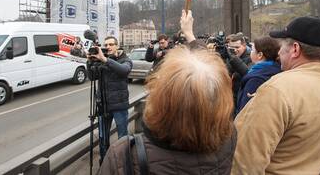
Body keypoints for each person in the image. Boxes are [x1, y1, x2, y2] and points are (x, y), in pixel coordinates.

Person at [98, 11, 236, 174]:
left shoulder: (124, 155)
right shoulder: (229, 137)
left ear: (159, 101)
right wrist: (190, 35)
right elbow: (204, 71)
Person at [232, 16, 320, 174]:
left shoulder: (276, 90)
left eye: (281, 46)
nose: (278, 52)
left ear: (295, 49)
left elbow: (244, 161)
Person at [87, 36, 133, 164]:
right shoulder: (103, 60)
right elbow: (92, 77)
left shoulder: (125, 59)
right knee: (102, 138)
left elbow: (124, 71)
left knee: (122, 138)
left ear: (117, 46)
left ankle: (123, 163)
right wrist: (90, 61)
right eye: (106, 45)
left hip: (119, 106)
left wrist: (105, 60)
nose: (108, 47)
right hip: (103, 106)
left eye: (111, 44)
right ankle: (105, 162)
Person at [235, 36, 281, 115]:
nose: (250, 52)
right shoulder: (275, 70)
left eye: (252, 50)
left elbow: (245, 111)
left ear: (260, 55)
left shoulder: (256, 79)